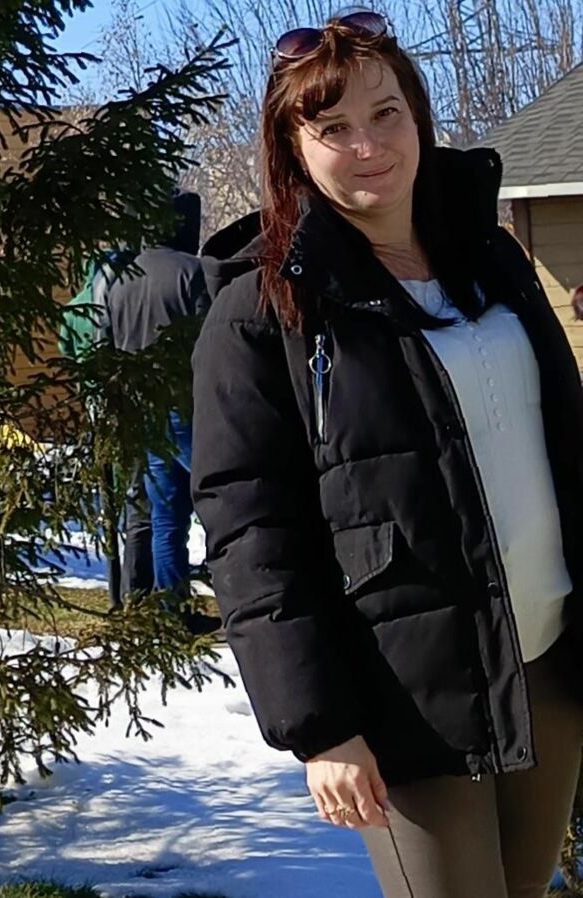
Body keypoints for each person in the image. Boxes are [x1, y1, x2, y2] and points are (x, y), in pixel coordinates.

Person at [191, 11, 583, 898]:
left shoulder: (490, 258)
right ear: (292, 147)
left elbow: (563, 447)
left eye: (386, 113)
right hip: (410, 694)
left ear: (418, 117)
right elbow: (251, 529)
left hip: (548, 658)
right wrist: (319, 726)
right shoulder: (263, 310)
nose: (368, 146)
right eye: (333, 128)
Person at [107, 190, 221, 635]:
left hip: (143, 411)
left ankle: (172, 610)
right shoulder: (193, 272)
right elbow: (212, 341)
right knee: (224, 500)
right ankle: (238, 596)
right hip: (189, 406)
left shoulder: (121, 279)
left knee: (165, 517)